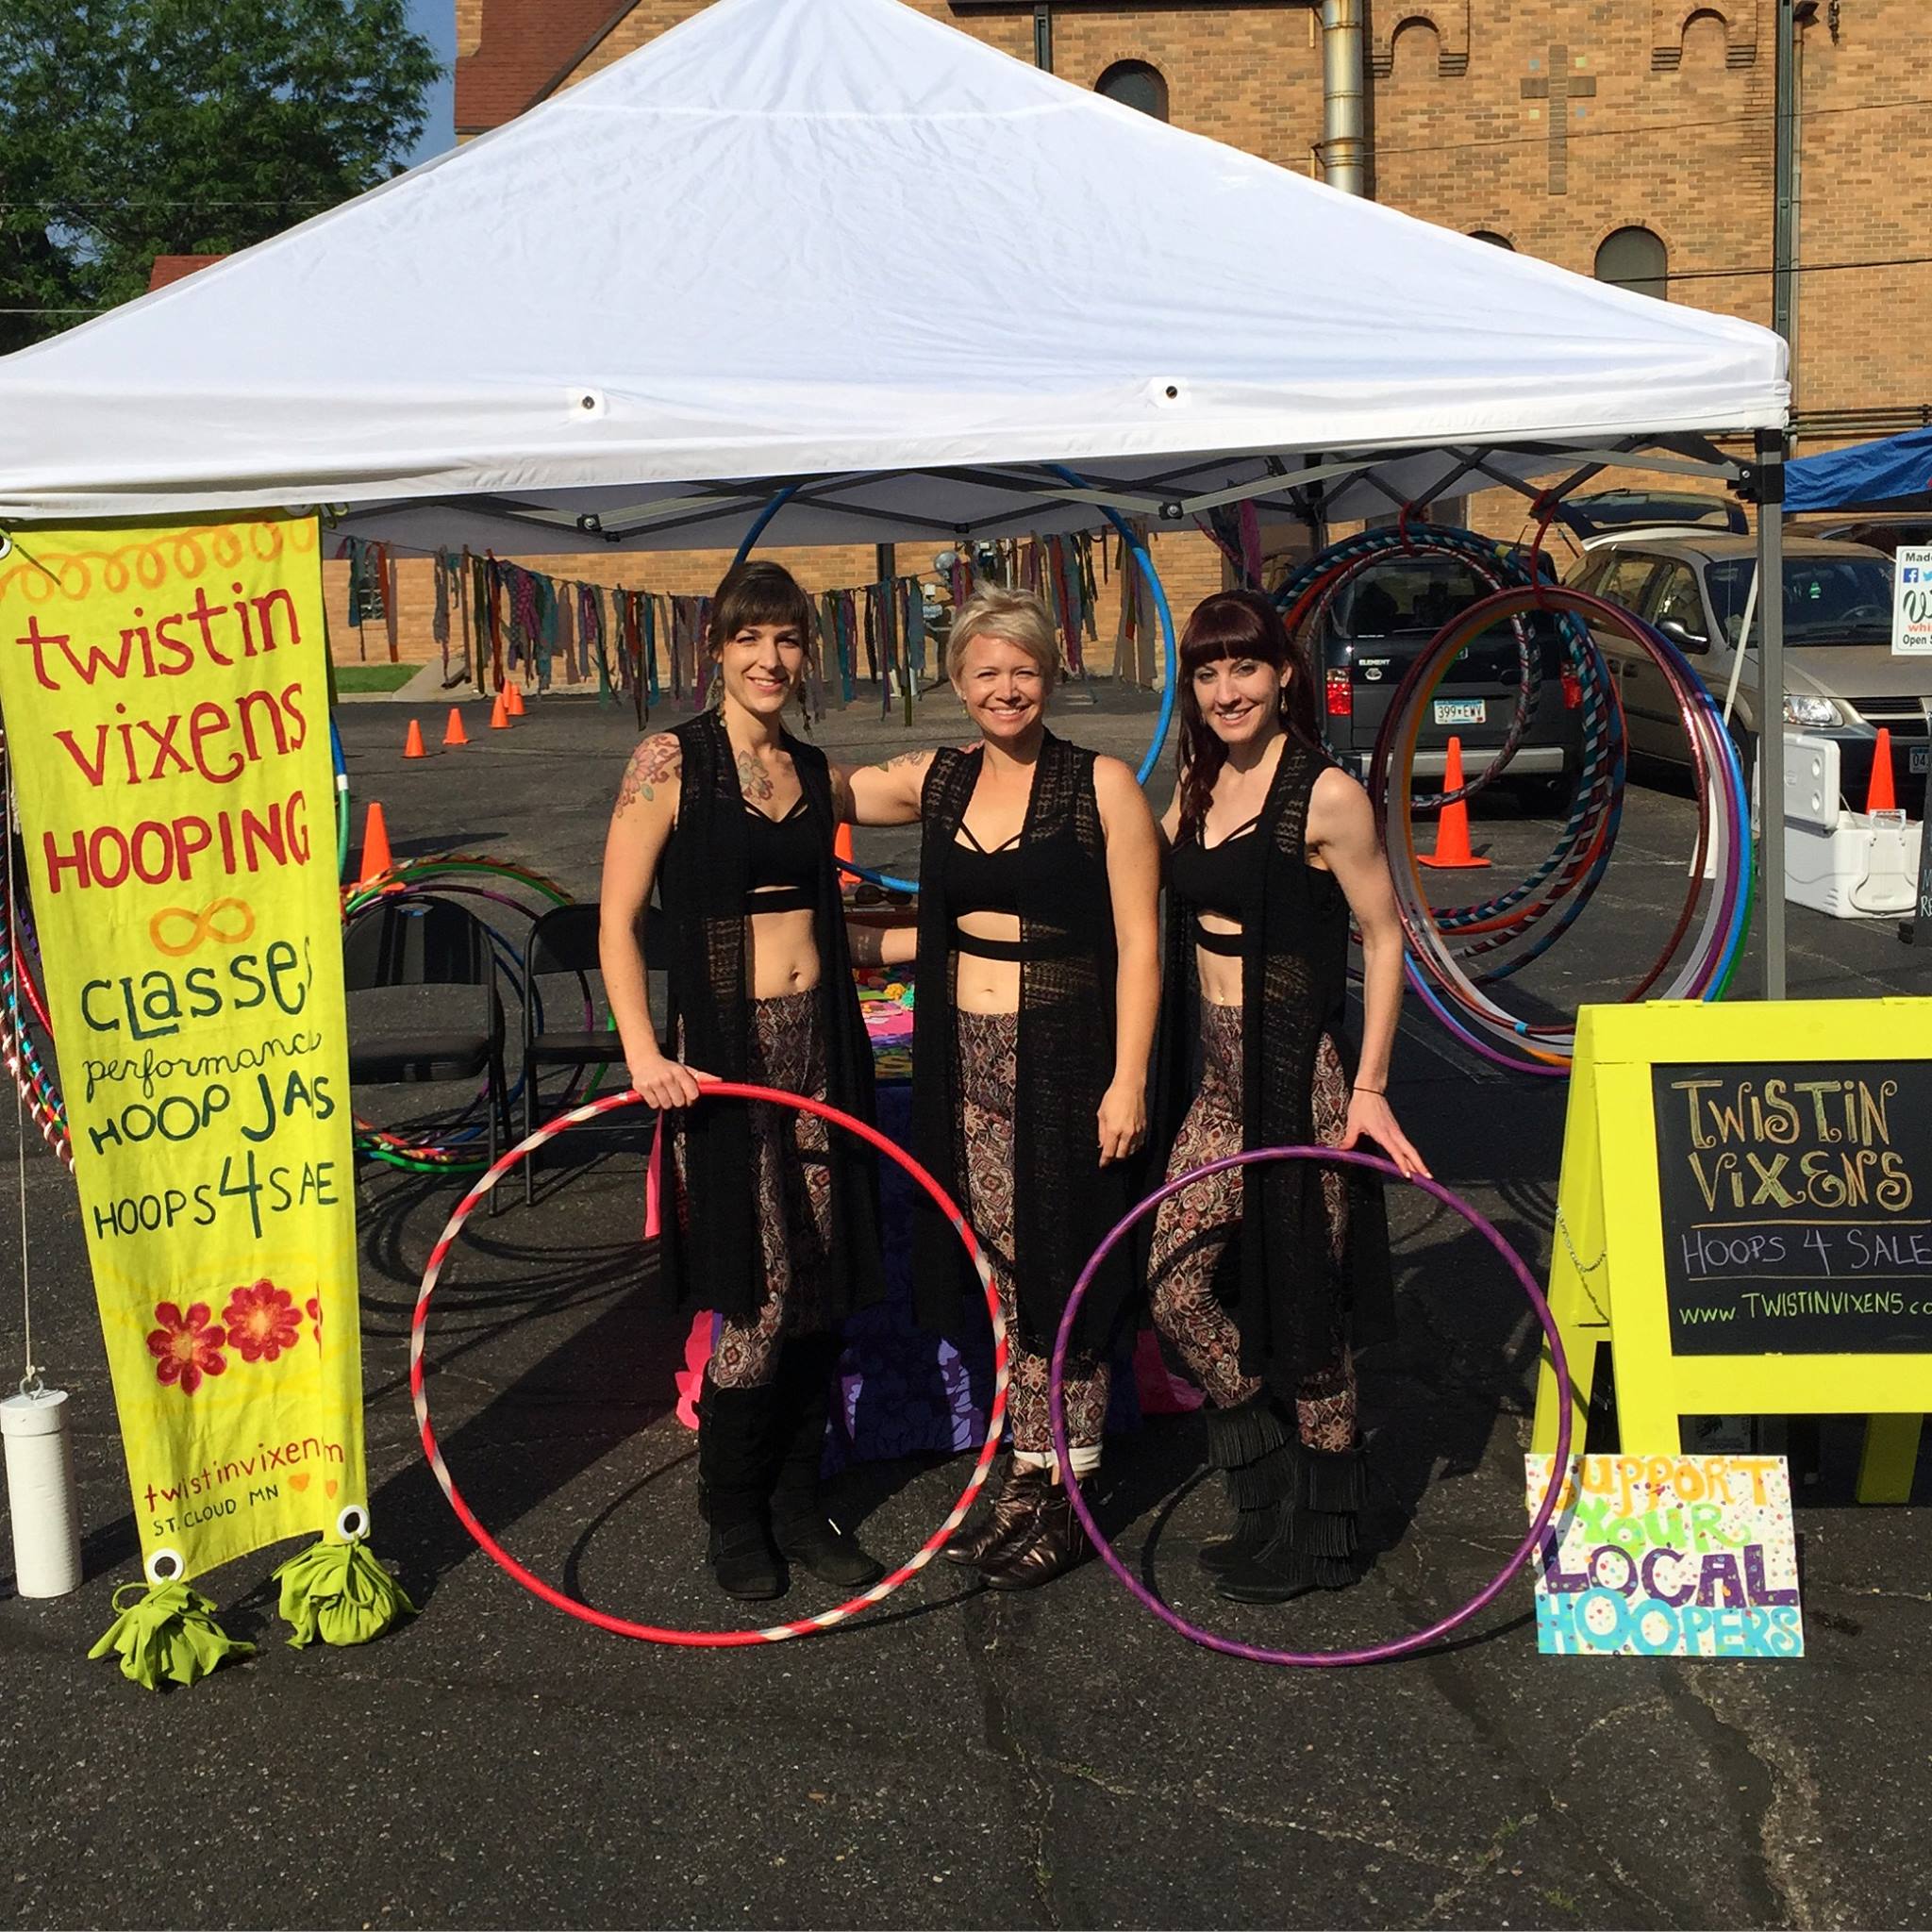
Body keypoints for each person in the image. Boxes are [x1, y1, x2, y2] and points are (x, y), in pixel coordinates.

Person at [848, 586, 1161, 1590]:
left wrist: (1127, 1079)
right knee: (1003, 1266)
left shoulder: (1100, 783)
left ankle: (1063, 1491)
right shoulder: (935, 781)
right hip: (962, 1058)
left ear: (1050, 675)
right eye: (984, 671)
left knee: (1060, 1265)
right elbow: (808, 795)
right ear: (958, 684)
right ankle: (1033, 1470)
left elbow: (1140, 942)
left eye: (1022, 668)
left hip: (1068, 1055)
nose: (1005, 687)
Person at [600, 560, 885, 1603]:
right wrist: (642, 1052)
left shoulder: (811, 768)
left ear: (806, 653)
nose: (769, 659)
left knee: (818, 1284)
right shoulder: (670, 760)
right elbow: (619, 919)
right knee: (757, 1292)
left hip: (819, 1044)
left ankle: (800, 1502)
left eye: (789, 640)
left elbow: (841, 882)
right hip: (721, 1056)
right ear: (715, 648)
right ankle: (733, 1508)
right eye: (749, 638)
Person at [1148, 589, 1427, 1606]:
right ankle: (1261, 1480)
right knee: (1174, 1284)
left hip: (1294, 1075)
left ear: (1283, 675)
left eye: (1245, 667)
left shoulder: (1324, 795)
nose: (1226, 690)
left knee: (1308, 1317)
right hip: (1215, 1077)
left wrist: (1371, 1084)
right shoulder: (1195, 779)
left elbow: (1385, 937)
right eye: (1207, 670)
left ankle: (1324, 1531)